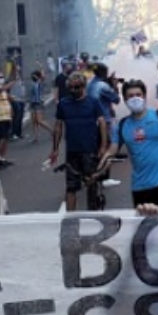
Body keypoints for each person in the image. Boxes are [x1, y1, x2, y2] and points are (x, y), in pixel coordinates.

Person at [100, 80, 158, 210]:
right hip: (140, 187)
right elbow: (111, 151)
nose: (135, 98)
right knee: (146, 228)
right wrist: (99, 168)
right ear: (124, 99)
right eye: (130, 96)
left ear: (144, 97)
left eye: (138, 94)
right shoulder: (122, 125)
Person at [50, 72, 109, 211]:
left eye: (77, 87)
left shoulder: (93, 102)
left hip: (90, 150)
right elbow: (58, 126)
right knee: (71, 187)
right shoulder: (64, 104)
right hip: (72, 151)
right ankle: (70, 218)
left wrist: (103, 146)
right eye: (71, 87)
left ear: (84, 86)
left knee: (91, 183)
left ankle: (93, 215)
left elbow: (102, 123)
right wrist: (55, 149)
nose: (73, 90)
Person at [26, 70, 53, 143]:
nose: (32, 77)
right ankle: (36, 138)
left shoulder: (40, 83)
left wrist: (40, 73)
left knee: (39, 121)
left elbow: (43, 77)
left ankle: (52, 131)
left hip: (38, 103)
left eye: (33, 75)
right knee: (34, 121)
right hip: (32, 103)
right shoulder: (33, 83)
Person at [9, 68, 27, 140]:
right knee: (16, 118)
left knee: (20, 118)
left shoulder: (20, 79)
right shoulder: (11, 80)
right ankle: (13, 133)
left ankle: (19, 133)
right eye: (16, 70)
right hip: (15, 100)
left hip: (21, 100)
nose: (17, 72)